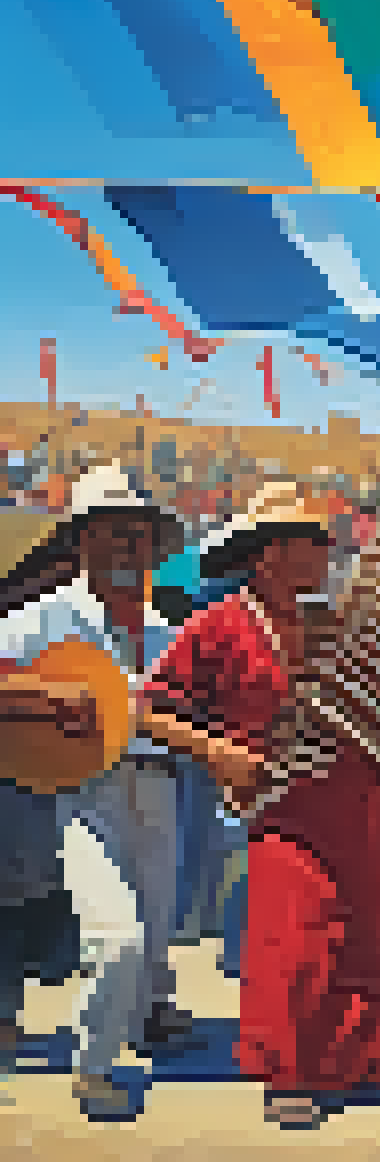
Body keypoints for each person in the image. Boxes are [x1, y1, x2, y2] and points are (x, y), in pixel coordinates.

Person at [139, 481, 380, 1127]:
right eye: (312, 543)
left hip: (367, 796)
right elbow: (149, 711)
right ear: (269, 554)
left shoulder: (333, 622)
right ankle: (289, 1072)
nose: (325, 556)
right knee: (294, 936)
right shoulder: (216, 625)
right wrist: (219, 753)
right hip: (284, 801)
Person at [0, 468, 191, 1119]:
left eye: (138, 534)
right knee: (120, 936)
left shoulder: (169, 633)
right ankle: (93, 1067)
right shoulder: (40, 620)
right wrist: (46, 695)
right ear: (81, 540)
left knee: (153, 938)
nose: (127, 545)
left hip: (160, 787)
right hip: (82, 792)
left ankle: (129, 1027)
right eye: (113, 532)